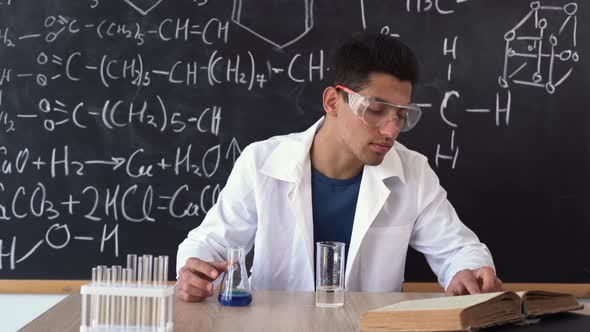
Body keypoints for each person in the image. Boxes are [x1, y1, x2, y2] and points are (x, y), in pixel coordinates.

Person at [176, 32, 502, 302]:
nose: (391, 131)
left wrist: (466, 270)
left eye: (401, 115)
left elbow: (459, 250)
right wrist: (195, 272)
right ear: (333, 101)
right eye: (376, 110)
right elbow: (208, 246)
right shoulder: (262, 162)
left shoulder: (412, 172)